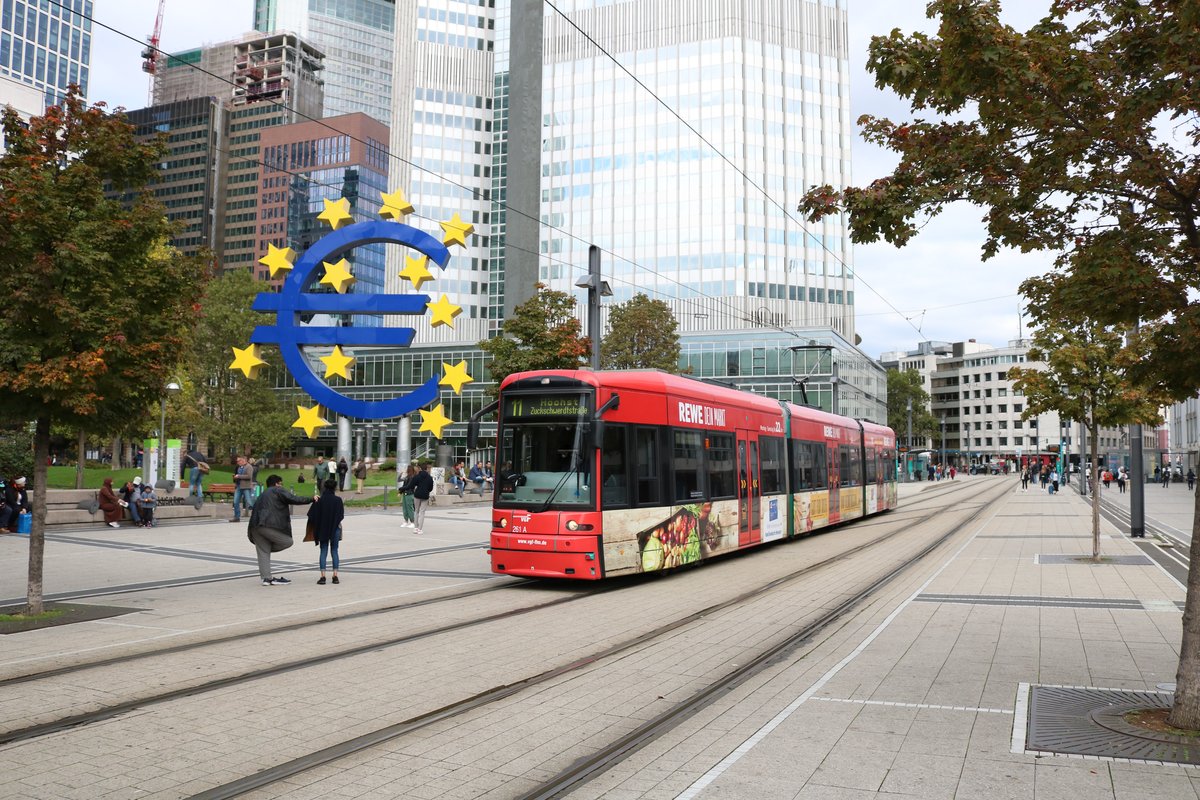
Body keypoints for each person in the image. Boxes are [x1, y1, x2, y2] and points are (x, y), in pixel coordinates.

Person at [247, 474, 315, 586]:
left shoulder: (263, 494)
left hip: (255, 526)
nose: (282, 486)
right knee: (288, 541)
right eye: (281, 483)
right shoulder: (277, 490)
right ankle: (267, 570)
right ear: (277, 483)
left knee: (263, 552)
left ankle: (266, 579)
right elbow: (293, 498)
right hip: (268, 525)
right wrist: (311, 499)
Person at [308, 478, 345, 584]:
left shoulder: (320, 500)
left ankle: (323, 576)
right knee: (335, 550)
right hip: (335, 529)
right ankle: (335, 575)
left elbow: (312, 515)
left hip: (322, 529)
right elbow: (341, 515)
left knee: (323, 551)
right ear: (335, 488)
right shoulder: (338, 500)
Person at [410, 462, 434, 534]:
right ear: (427, 469)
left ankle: (415, 528)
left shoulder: (417, 476)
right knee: (422, 512)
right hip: (425, 496)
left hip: (417, 495)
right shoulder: (430, 478)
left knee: (416, 511)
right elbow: (431, 488)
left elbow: (412, 485)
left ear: (420, 468)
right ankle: (420, 529)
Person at [230, 456, 255, 523]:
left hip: (246, 487)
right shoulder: (239, 467)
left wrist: (239, 476)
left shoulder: (249, 467)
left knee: (250, 502)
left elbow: (249, 476)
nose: (239, 462)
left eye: (241, 461)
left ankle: (257, 515)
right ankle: (236, 517)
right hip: (238, 486)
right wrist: (235, 478)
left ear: (245, 461)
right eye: (239, 461)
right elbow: (238, 475)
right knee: (235, 502)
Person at [397, 464, 417, 528]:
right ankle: (405, 521)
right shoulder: (407, 477)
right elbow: (399, 480)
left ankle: (412, 522)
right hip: (405, 494)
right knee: (405, 508)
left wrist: (400, 489)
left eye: (406, 469)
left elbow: (408, 486)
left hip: (410, 494)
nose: (405, 470)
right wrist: (400, 492)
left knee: (409, 509)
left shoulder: (412, 477)